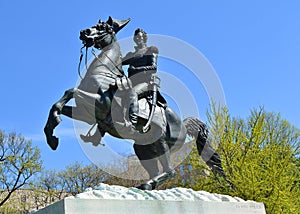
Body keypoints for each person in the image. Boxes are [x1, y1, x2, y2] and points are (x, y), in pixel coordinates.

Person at [122, 28, 166, 129]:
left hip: (145, 83)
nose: (138, 38)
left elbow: (153, 68)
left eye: (140, 37)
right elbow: (117, 62)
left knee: (132, 93)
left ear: (144, 38)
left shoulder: (150, 50)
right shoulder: (131, 55)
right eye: (136, 37)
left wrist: (136, 69)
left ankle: (132, 123)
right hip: (130, 82)